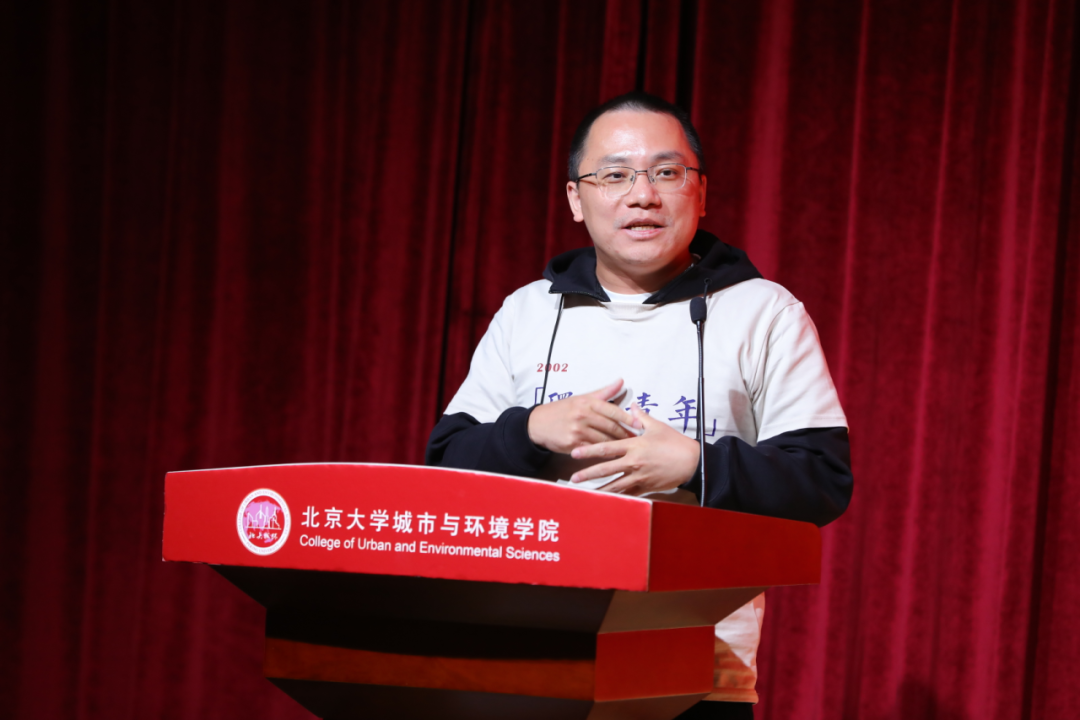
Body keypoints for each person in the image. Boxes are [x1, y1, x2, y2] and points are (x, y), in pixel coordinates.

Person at [426, 91, 852, 719]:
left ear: (700, 193)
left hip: (696, 672)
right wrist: (531, 429)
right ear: (576, 199)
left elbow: (820, 479)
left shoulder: (764, 312)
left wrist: (695, 465)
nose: (643, 195)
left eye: (666, 172)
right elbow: (445, 465)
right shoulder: (528, 312)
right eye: (615, 175)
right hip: (525, 660)